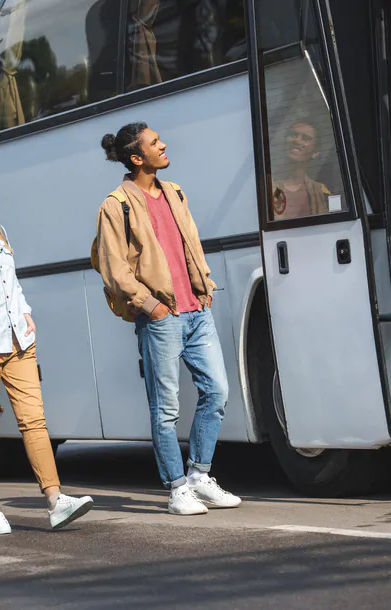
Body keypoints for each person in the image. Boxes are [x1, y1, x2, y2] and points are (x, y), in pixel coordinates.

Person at [94, 123, 241, 515]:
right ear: (136, 157)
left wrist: (204, 285)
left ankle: (199, 476)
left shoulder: (175, 192)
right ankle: (177, 489)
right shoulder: (116, 205)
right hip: (160, 318)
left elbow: (190, 244)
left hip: (196, 312)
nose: (164, 146)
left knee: (217, 392)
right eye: (155, 143)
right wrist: (149, 305)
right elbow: (113, 268)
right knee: (165, 410)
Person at [0, 174, 93, 535]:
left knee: (34, 421)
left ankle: (55, 500)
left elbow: (11, 280)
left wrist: (25, 311)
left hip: (17, 342)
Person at [270, 118, 333, 221]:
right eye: (293, 135)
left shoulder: (321, 192)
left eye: (305, 138)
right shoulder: (265, 186)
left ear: (316, 152)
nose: (297, 140)